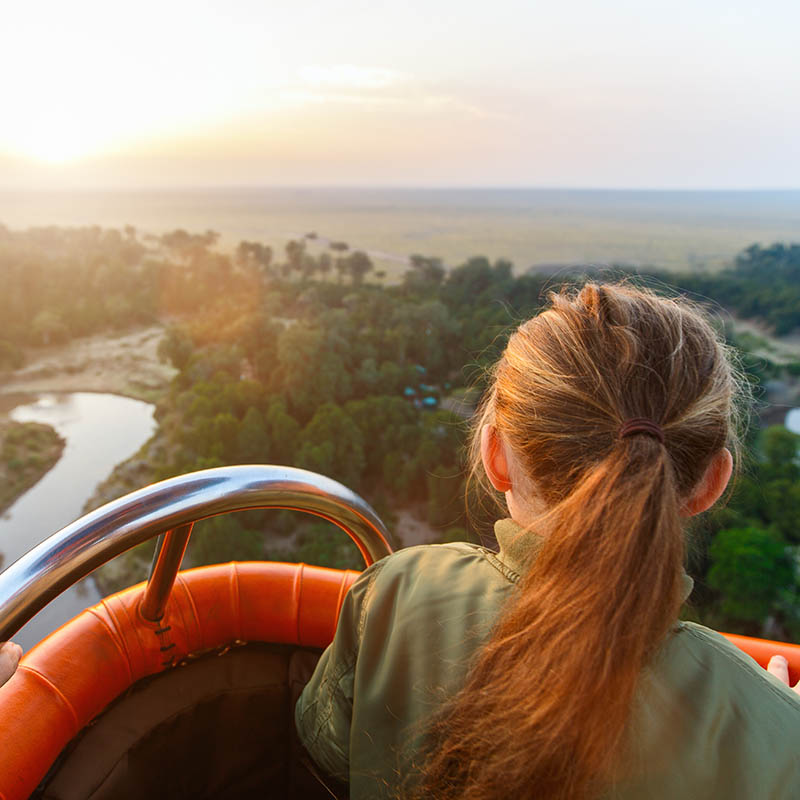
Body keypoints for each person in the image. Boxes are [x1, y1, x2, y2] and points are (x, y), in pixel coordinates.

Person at [295, 282, 800, 800]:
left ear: (494, 456)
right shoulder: (775, 734)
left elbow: (327, 760)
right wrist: (770, 725)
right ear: (710, 484)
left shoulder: (396, 592)